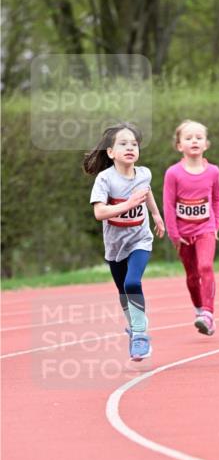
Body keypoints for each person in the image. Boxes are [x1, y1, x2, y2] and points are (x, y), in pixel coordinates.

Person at [83, 122, 165, 360]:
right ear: (111, 152)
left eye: (134, 144)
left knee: (132, 283)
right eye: (123, 143)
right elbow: (99, 213)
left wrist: (156, 215)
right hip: (115, 245)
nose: (130, 147)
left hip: (140, 239)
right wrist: (128, 204)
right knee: (122, 292)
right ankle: (134, 326)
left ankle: (140, 334)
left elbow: (146, 191)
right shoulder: (105, 179)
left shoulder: (144, 173)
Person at [163, 119, 219, 335]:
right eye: (188, 138)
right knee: (191, 275)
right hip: (183, 234)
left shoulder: (213, 171)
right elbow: (168, 205)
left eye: (199, 137)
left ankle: (208, 313)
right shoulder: (173, 173)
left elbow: (217, 200)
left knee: (205, 267)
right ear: (180, 146)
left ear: (206, 143)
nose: (194, 141)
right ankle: (199, 309)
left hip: (205, 229)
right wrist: (174, 234)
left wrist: (215, 224)